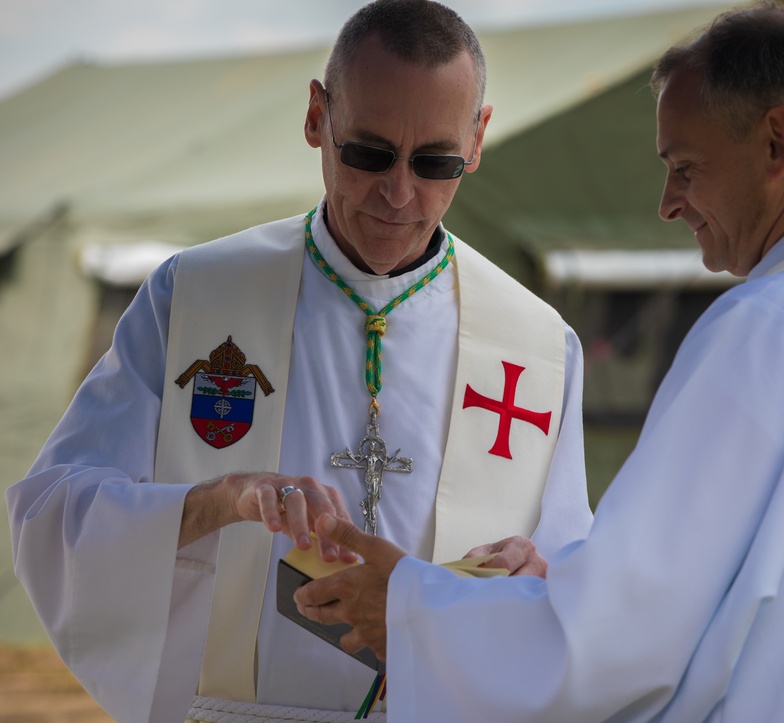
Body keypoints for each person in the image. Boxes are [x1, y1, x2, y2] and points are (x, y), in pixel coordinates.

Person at [293, 4, 784, 721]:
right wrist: (555, 581)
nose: (668, 205)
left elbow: (623, 638)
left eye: (685, 167)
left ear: (776, 142)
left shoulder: (776, 333)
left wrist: (412, 609)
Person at [6, 2, 593, 721]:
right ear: (318, 117)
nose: (399, 193)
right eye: (370, 153)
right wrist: (219, 500)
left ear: (478, 140)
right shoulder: (195, 296)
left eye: (435, 161)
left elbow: (577, 580)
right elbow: (53, 514)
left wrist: (537, 578)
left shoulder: (536, 344)